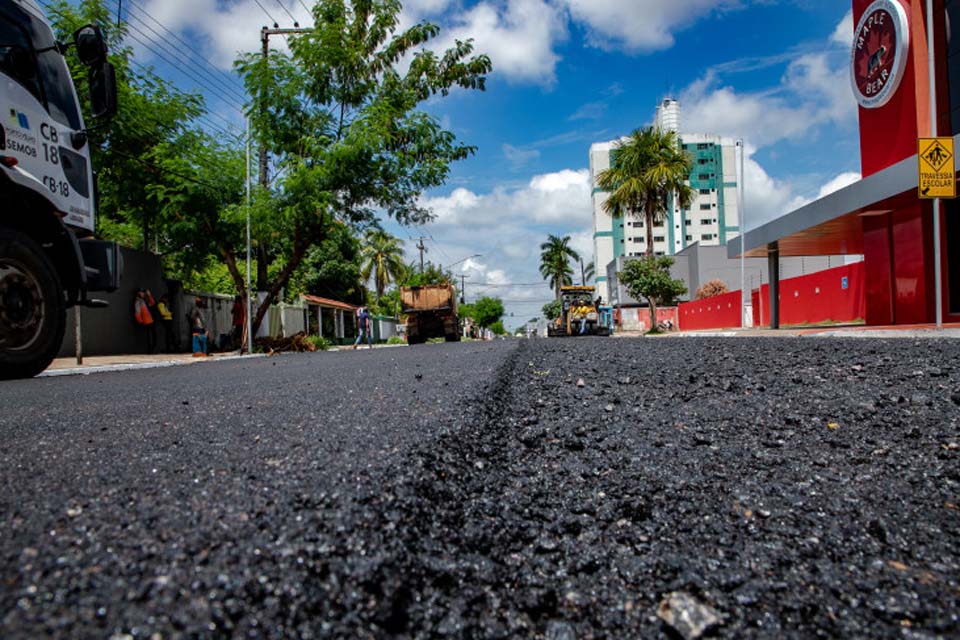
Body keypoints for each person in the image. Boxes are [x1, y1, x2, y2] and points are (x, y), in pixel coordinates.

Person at [133, 289, 156, 353]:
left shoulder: (144, 300)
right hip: (146, 321)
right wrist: (140, 322)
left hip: (151, 320)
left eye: (144, 293)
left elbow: (152, 303)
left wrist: (149, 295)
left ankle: (152, 349)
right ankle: (150, 350)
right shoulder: (138, 302)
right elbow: (137, 312)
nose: (143, 294)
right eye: (142, 293)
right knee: (149, 337)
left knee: (153, 336)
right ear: (139, 293)